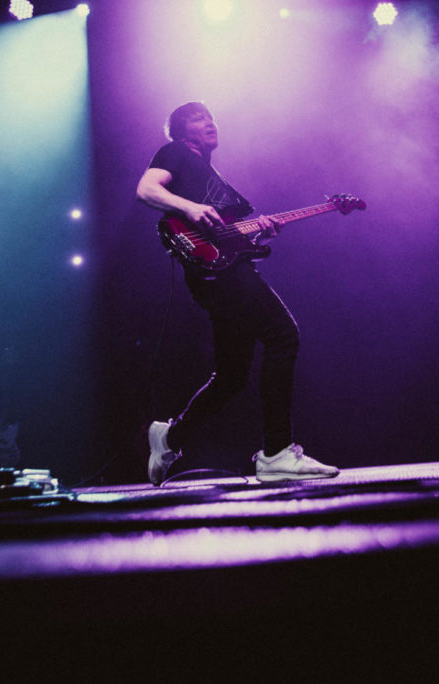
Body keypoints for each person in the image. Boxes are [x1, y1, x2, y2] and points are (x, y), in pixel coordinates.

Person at [136, 101, 339, 485]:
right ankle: (277, 453)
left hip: (223, 268)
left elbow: (227, 232)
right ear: (182, 131)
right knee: (282, 334)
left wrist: (258, 229)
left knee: (231, 375)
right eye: (199, 118)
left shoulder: (212, 176)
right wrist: (191, 209)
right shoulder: (177, 152)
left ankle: (169, 437)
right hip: (220, 273)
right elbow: (146, 189)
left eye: (211, 116)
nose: (210, 122)